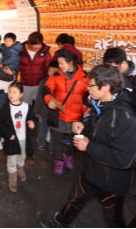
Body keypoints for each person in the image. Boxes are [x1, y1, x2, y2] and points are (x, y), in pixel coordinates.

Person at [38, 64, 136, 228]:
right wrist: (83, 124)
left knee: (114, 220)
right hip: (91, 171)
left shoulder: (126, 118)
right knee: (74, 199)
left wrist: (89, 147)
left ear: (106, 87)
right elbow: (96, 121)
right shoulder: (101, 103)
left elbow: (124, 158)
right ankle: (58, 223)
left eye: (91, 84)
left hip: (112, 182)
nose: (88, 87)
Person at [43, 48, 89, 176]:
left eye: (62, 63)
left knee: (73, 141)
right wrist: (49, 99)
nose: (60, 66)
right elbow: (46, 89)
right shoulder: (56, 75)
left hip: (76, 118)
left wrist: (83, 109)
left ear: (70, 63)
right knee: (56, 140)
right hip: (59, 115)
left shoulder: (84, 77)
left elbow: (87, 96)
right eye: (59, 63)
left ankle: (69, 156)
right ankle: (58, 160)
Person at [0, 81, 36, 192]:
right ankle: (13, 181)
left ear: (21, 94)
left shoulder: (27, 107)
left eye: (14, 92)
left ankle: (20, 170)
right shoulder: (5, 108)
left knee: (21, 158)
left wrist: (32, 121)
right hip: (12, 140)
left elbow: (32, 117)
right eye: (9, 92)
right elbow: (0, 123)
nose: (11, 94)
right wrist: (8, 134)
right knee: (11, 161)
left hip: (23, 139)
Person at [102, 46, 136, 118]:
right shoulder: (109, 76)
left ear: (124, 63)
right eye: (109, 68)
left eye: (114, 68)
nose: (111, 71)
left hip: (124, 123)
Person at [18, 31, 52, 107]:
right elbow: (16, 66)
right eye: (35, 44)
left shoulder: (46, 53)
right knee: (26, 107)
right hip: (26, 85)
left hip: (40, 86)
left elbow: (48, 70)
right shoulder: (21, 51)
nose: (37, 46)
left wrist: (47, 84)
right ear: (29, 43)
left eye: (39, 44)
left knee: (39, 108)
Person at [34, 60, 59, 152]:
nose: (52, 73)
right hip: (43, 111)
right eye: (50, 70)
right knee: (43, 128)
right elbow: (39, 97)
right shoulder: (43, 82)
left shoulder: (61, 83)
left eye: (54, 70)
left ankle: (52, 147)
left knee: (54, 131)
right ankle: (40, 142)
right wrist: (37, 111)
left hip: (55, 113)